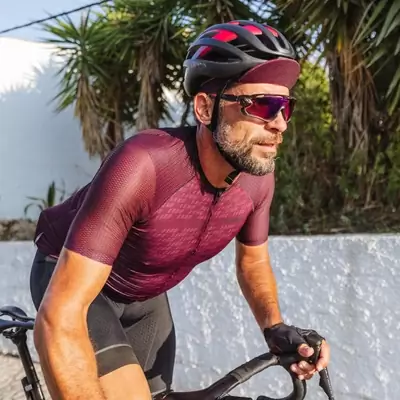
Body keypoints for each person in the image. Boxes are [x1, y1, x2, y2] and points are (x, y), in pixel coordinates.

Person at [30, 20, 330, 400]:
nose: (280, 124)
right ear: (205, 108)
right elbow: (61, 316)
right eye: (261, 106)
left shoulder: (258, 178)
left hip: (147, 297)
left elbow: (253, 263)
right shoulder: (143, 165)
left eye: (285, 106)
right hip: (76, 281)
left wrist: (275, 328)